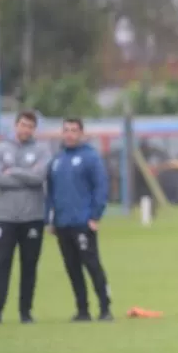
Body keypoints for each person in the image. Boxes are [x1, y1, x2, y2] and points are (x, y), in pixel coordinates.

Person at [0, 111, 52, 324]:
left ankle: (25, 312)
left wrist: (12, 171)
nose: (26, 129)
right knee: (2, 264)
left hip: (32, 217)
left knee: (29, 266)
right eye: (23, 125)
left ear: (35, 129)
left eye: (30, 126)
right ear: (16, 126)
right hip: (6, 218)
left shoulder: (42, 151)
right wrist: (26, 175)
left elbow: (39, 178)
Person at [45, 118, 114, 322]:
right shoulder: (57, 160)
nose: (69, 134)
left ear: (81, 133)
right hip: (62, 223)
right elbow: (50, 192)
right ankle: (82, 309)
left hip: (83, 222)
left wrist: (95, 215)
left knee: (92, 265)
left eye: (74, 130)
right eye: (66, 130)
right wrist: (50, 218)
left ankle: (105, 307)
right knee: (72, 268)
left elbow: (100, 187)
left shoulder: (90, 157)